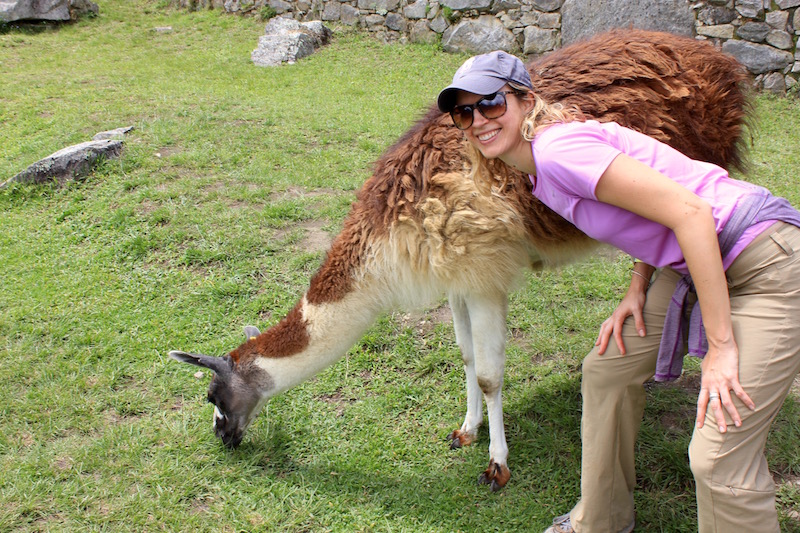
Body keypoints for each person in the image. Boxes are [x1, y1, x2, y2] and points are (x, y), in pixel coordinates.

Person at [436, 50, 800, 533]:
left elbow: (690, 213)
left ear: (525, 100)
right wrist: (638, 285)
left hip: (763, 261)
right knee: (607, 369)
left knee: (717, 459)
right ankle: (601, 520)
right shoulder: (537, 166)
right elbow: (653, 208)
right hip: (698, 256)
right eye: (465, 112)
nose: (479, 119)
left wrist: (722, 345)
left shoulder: (558, 152)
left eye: (491, 103)